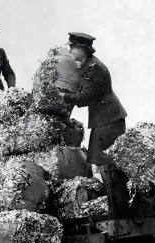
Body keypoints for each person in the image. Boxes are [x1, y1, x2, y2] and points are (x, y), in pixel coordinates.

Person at [58, 32, 127, 178]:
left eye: (73, 47)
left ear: (83, 49)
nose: (70, 51)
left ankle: (115, 200)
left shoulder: (93, 67)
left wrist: (62, 96)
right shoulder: (88, 64)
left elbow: (84, 97)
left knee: (105, 163)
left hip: (108, 121)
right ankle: (113, 198)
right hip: (106, 119)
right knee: (100, 160)